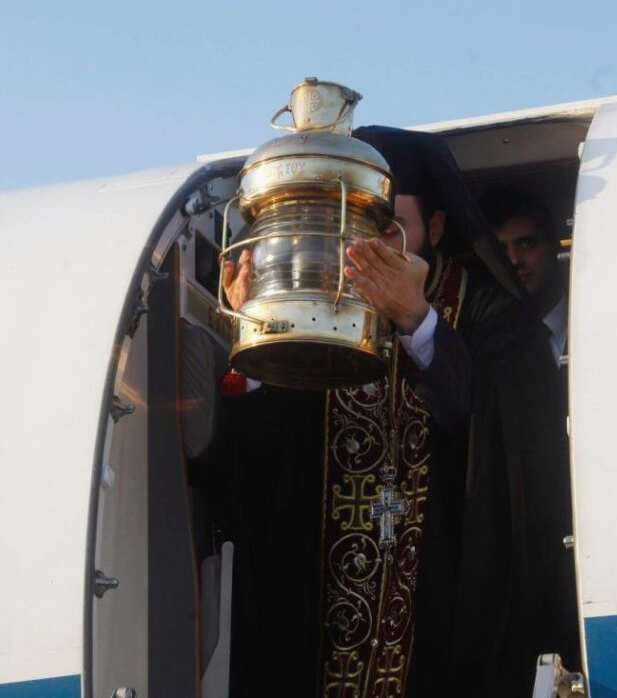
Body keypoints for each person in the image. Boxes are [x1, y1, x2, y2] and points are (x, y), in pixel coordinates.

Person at [216, 126, 578, 698]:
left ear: (436, 227)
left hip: (445, 595)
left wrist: (416, 321)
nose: (371, 248)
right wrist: (259, 340)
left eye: (388, 229)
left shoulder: (490, 313)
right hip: (325, 606)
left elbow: (502, 442)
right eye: (355, 229)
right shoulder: (319, 307)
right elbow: (268, 467)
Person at [486, 189, 568, 366]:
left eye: (527, 243)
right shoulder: (487, 347)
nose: (514, 260)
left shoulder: (600, 318)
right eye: (500, 250)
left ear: (554, 246)